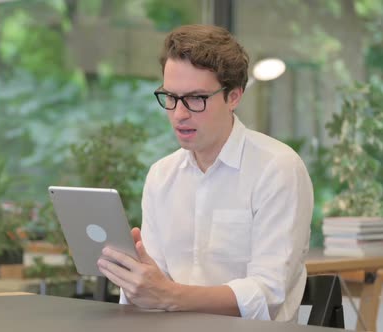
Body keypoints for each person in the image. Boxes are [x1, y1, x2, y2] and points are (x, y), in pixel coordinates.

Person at [97, 24, 313, 322]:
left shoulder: (277, 168)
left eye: (196, 98)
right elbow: (153, 287)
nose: (179, 113)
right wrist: (137, 281)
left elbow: (268, 294)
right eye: (170, 97)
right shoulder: (162, 175)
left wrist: (170, 296)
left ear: (234, 96)